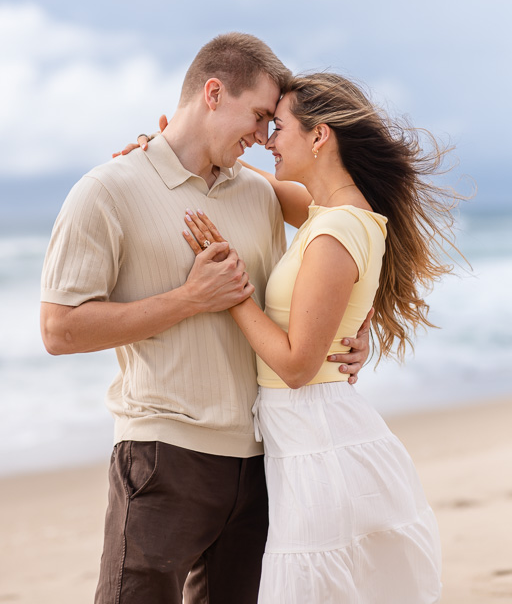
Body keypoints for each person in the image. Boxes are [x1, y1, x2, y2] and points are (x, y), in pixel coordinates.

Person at [40, 34, 370, 604]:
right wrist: (190, 298)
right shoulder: (107, 190)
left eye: (273, 123)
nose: (264, 136)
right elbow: (58, 330)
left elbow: (354, 234)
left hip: (263, 458)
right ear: (213, 93)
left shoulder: (261, 193)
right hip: (164, 455)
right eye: (260, 116)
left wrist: (358, 329)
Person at [182, 71, 457, 604]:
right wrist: (170, 150)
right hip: (308, 432)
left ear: (319, 135)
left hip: (315, 434)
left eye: (278, 127)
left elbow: (295, 366)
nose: (268, 141)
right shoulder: (330, 215)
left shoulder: (336, 230)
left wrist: (232, 288)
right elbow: (254, 182)